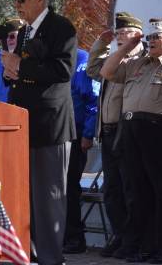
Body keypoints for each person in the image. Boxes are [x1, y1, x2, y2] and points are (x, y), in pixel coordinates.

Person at [101, 18, 162, 264]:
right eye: (149, 37)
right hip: (131, 132)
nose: (151, 41)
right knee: (136, 191)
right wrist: (125, 46)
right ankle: (138, 244)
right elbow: (107, 72)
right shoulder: (136, 64)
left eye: (158, 37)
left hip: (161, 132)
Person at [1, 0, 77, 265]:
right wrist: (12, 74)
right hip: (23, 122)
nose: (16, 5)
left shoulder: (61, 27)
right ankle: (29, 252)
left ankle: (50, 258)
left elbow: (63, 70)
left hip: (50, 124)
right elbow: (27, 73)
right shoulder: (25, 31)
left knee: (49, 195)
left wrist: (21, 66)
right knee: (26, 195)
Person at [86, 12, 146, 258]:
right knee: (112, 190)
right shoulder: (115, 58)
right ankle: (120, 235)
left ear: (137, 36)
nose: (121, 38)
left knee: (131, 189)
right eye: (118, 34)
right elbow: (92, 70)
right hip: (108, 132)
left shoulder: (142, 60)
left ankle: (133, 239)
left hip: (128, 133)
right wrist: (101, 43)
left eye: (126, 33)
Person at [62, 48, 100, 254]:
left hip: (75, 134)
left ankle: (74, 238)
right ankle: (60, 235)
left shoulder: (82, 60)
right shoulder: (53, 58)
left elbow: (93, 101)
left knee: (69, 188)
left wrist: (87, 133)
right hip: (56, 133)